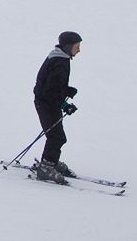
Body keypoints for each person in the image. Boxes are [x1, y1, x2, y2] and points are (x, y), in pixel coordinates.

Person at [32, 31, 81, 184]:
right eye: (77, 47)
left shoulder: (60, 58)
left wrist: (66, 90)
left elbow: (53, 85)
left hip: (48, 102)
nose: (79, 50)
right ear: (68, 46)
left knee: (56, 136)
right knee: (57, 137)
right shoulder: (59, 62)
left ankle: (51, 161)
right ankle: (46, 167)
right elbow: (50, 91)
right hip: (46, 104)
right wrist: (65, 105)